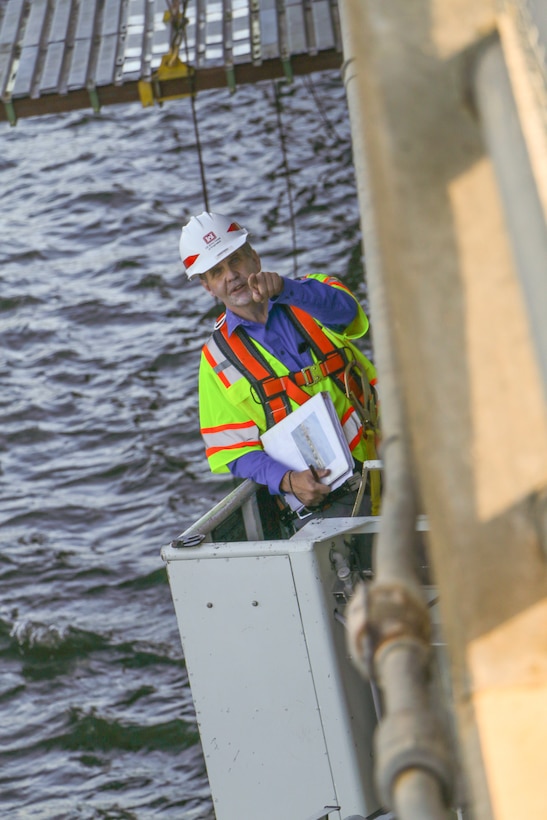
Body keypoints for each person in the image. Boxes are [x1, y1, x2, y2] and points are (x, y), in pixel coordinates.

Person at [180, 211, 380, 526]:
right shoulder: (215, 360)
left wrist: (288, 289)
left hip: (389, 453)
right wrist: (288, 480)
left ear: (254, 259)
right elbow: (233, 452)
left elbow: (348, 314)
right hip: (326, 496)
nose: (231, 275)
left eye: (235, 260)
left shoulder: (311, 291)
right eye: (217, 271)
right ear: (207, 286)